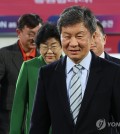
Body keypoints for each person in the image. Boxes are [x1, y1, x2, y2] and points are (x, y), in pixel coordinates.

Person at [29, 5, 120, 134]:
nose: (73, 43)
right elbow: (38, 126)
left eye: (79, 36)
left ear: (93, 36)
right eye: (66, 36)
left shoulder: (113, 73)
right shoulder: (47, 74)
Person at [10, 22, 62, 134]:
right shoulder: (29, 67)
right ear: (38, 47)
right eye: (44, 46)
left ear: (62, 46)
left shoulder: (69, 66)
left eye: (53, 46)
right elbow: (19, 105)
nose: (49, 52)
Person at [0, 13, 43, 134]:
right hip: (8, 120)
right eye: (30, 34)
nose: (34, 38)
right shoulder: (3, 55)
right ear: (18, 32)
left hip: (37, 120)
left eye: (38, 34)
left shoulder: (45, 57)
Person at [91, 20, 120, 134]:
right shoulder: (74, 69)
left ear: (104, 39)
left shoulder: (118, 67)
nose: (91, 41)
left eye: (95, 36)